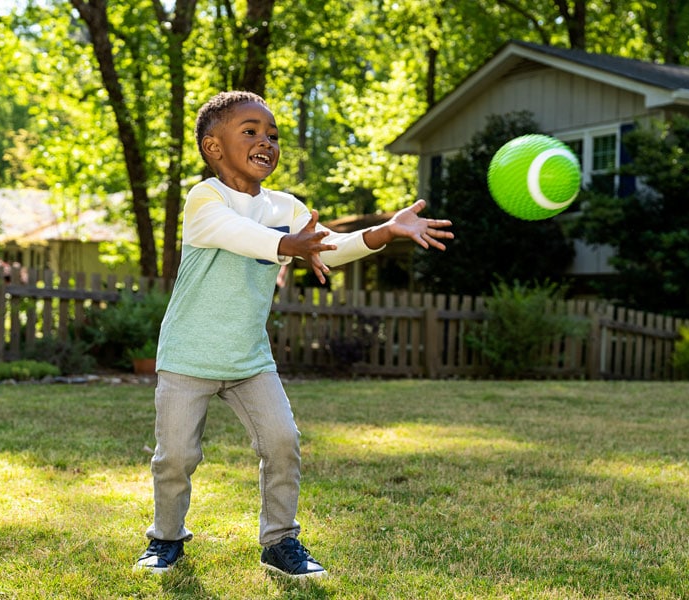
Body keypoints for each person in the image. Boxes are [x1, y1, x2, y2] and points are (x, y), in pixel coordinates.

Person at [133, 90, 453, 578]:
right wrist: (289, 244)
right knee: (176, 457)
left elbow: (333, 247)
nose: (266, 141)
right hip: (188, 356)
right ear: (213, 147)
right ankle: (166, 538)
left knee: (283, 442)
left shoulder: (285, 206)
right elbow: (237, 234)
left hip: (249, 360)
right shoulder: (206, 197)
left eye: (273, 134)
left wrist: (385, 231)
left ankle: (280, 541)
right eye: (251, 131)